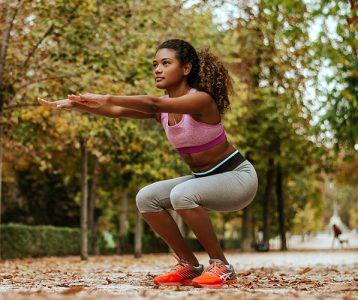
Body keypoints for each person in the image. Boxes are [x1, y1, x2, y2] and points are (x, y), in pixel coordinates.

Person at [38, 39, 258, 288]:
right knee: (146, 197)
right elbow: (118, 110)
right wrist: (78, 105)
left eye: (166, 63)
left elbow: (151, 102)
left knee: (181, 195)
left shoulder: (202, 101)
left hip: (238, 178)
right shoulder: (162, 111)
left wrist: (105, 95)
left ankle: (222, 266)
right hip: (205, 179)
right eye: (155, 64)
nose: (157, 69)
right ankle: (188, 265)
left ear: (186, 69)